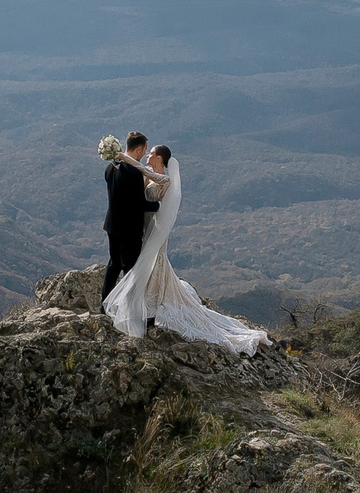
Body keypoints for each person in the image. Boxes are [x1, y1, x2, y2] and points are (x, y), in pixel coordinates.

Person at [103, 146, 269, 354]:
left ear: (161, 158)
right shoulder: (147, 175)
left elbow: (146, 177)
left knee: (154, 262)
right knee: (143, 263)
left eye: (152, 152)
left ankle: (152, 308)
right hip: (143, 228)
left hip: (156, 229)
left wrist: (123, 156)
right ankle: (144, 305)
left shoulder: (164, 179)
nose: (148, 155)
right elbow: (140, 198)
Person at [102, 131, 160, 299]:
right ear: (139, 149)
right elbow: (139, 204)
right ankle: (128, 307)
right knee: (131, 268)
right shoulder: (134, 173)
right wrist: (159, 205)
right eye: (144, 150)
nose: (144, 154)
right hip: (129, 229)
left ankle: (104, 302)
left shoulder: (111, 166)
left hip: (112, 225)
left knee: (114, 264)